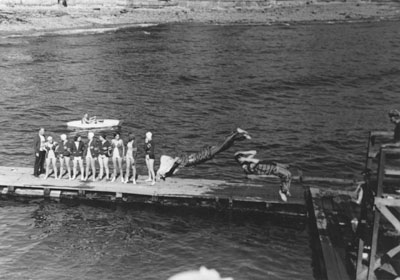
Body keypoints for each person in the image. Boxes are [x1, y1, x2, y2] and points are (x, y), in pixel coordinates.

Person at [157, 128, 251, 180]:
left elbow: (171, 169)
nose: (176, 158)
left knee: (222, 146)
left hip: (206, 154)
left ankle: (236, 132)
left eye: (176, 159)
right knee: (225, 147)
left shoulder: (181, 162)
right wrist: (165, 175)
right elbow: (172, 170)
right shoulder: (183, 160)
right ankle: (242, 137)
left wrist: (165, 175)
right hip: (205, 153)